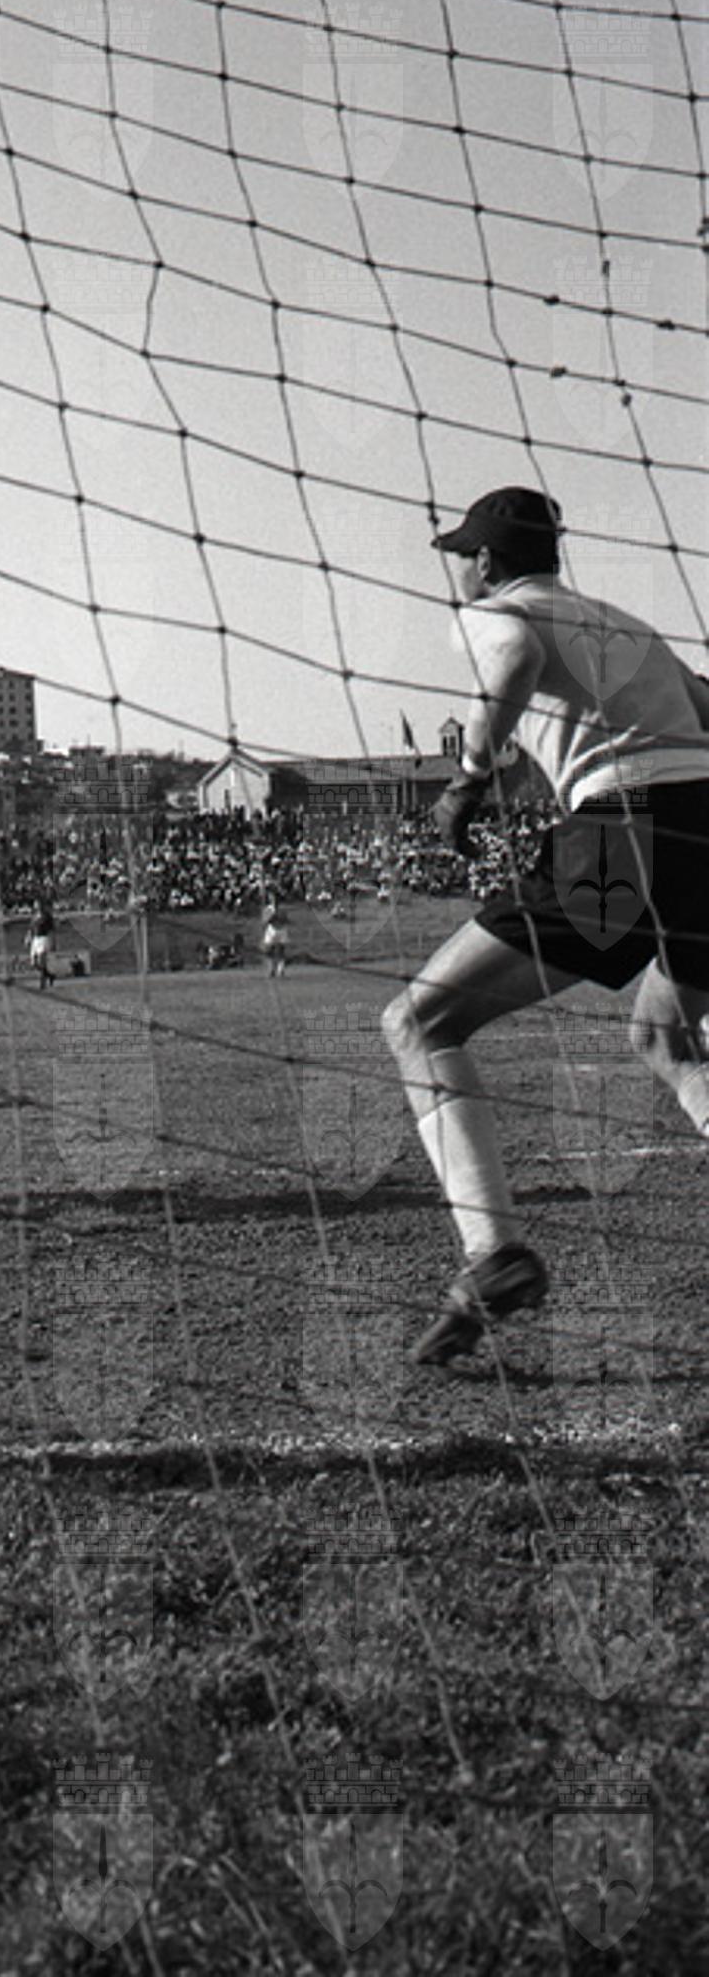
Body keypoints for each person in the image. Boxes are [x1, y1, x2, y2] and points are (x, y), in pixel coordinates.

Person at [381, 486, 709, 1365]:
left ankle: (494, 1254)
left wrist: (469, 778)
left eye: (462, 555)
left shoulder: (498, 613)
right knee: (667, 1038)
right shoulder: (625, 623)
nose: (459, 570)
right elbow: (706, 705)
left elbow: (517, 654)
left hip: (623, 830)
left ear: (486, 561)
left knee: (419, 1022)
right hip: (706, 826)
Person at [26, 905, 57, 989]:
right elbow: (30, 929)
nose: (37, 906)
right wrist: (28, 938)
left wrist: (53, 941)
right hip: (35, 940)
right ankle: (50, 976)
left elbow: (52, 930)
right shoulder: (34, 917)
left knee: (41, 961)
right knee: (34, 963)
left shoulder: (47, 917)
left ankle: (42, 983)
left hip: (44, 939)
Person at [260, 898, 290, 979]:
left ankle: (281, 970)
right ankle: (271, 969)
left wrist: (281, 918)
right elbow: (264, 921)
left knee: (280, 950)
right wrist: (271, 916)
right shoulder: (268, 909)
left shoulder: (282, 909)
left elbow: (286, 920)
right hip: (271, 930)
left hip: (281, 930)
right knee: (268, 950)